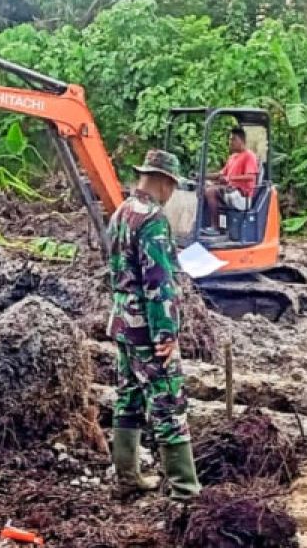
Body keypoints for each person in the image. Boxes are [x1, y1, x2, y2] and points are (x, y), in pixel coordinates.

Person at [107, 149, 201, 501]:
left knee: (128, 397)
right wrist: (166, 334)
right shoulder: (153, 220)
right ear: (164, 181)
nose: (171, 193)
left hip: (121, 321)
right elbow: (158, 283)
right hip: (146, 327)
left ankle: (127, 476)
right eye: (172, 186)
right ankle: (185, 490)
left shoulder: (121, 212)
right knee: (169, 402)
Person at [203, 126, 260, 235]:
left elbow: (251, 177)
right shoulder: (233, 157)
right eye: (230, 139)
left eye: (233, 139)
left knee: (211, 191)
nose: (231, 142)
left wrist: (229, 178)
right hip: (230, 191)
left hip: (242, 195)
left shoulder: (249, 156)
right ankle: (204, 224)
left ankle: (215, 228)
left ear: (241, 140)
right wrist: (203, 176)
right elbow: (220, 174)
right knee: (203, 189)